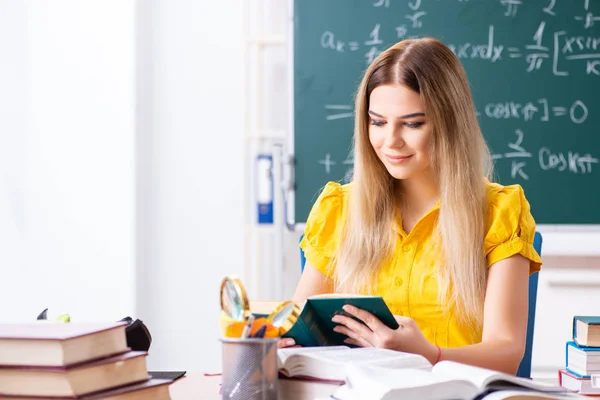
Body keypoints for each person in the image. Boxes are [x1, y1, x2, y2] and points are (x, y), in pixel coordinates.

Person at [289, 37, 542, 375]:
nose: (390, 140)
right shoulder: (339, 209)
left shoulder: (499, 212)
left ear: (449, 123)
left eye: (412, 123)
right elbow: (300, 325)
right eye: (377, 122)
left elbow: (507, 352)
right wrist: (280, 341)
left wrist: (429, 354)